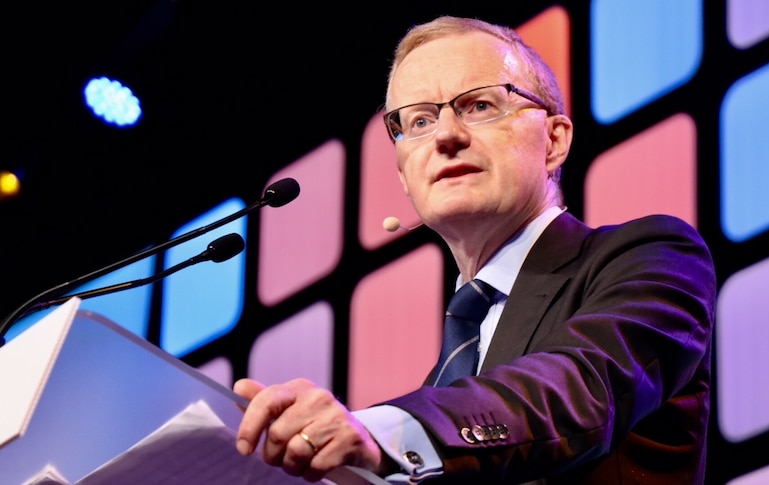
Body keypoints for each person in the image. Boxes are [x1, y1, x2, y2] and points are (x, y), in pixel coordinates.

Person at [234, 15, 716, 485]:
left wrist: (385, 432)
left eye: (480, 106)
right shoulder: (440, 383)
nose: (445, 136)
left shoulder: (651, 257)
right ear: (404, 177)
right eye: (419, 120)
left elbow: (579, 391)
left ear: (552, 141)